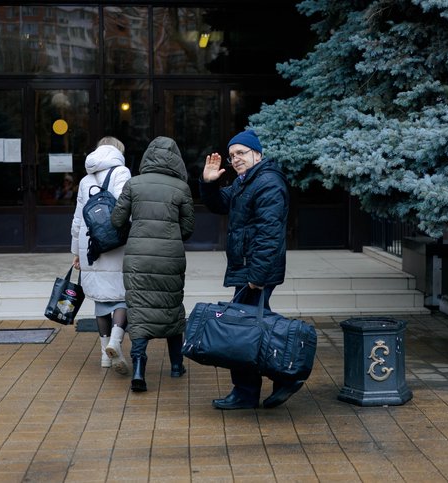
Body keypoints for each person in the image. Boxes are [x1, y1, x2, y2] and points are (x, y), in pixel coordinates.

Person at [199, 129, 303, 410]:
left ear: (257, 153)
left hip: (255, 272)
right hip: (248, 269)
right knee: (252, 329)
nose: (236, 159)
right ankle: (276, 379)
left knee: (243, 331)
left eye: (241, 153)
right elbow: (221, 204)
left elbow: (270, 234)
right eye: (232, 156)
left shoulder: (267, 182)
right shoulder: (246, 182)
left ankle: (269, 382)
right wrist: (208, 184)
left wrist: (257, 277)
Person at [111, 136, 195, 392]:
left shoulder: (134, 184)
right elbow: (188, 229)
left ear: (148, 157)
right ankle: (177, 365)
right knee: (170, 306)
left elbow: (117, 220)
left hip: (138, 256)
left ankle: (139, 368)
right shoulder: (181, 188)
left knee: (139, 310)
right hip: (170, 256)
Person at [70, 136, 132, 375]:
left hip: (90, 247)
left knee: (100, 300)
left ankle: (104, 356)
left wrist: (76, 251)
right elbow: (124, 210)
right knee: (121, 296)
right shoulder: (122, 173)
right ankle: (115, 343)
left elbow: (77, 219)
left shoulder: (86, 179)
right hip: (115, 244)